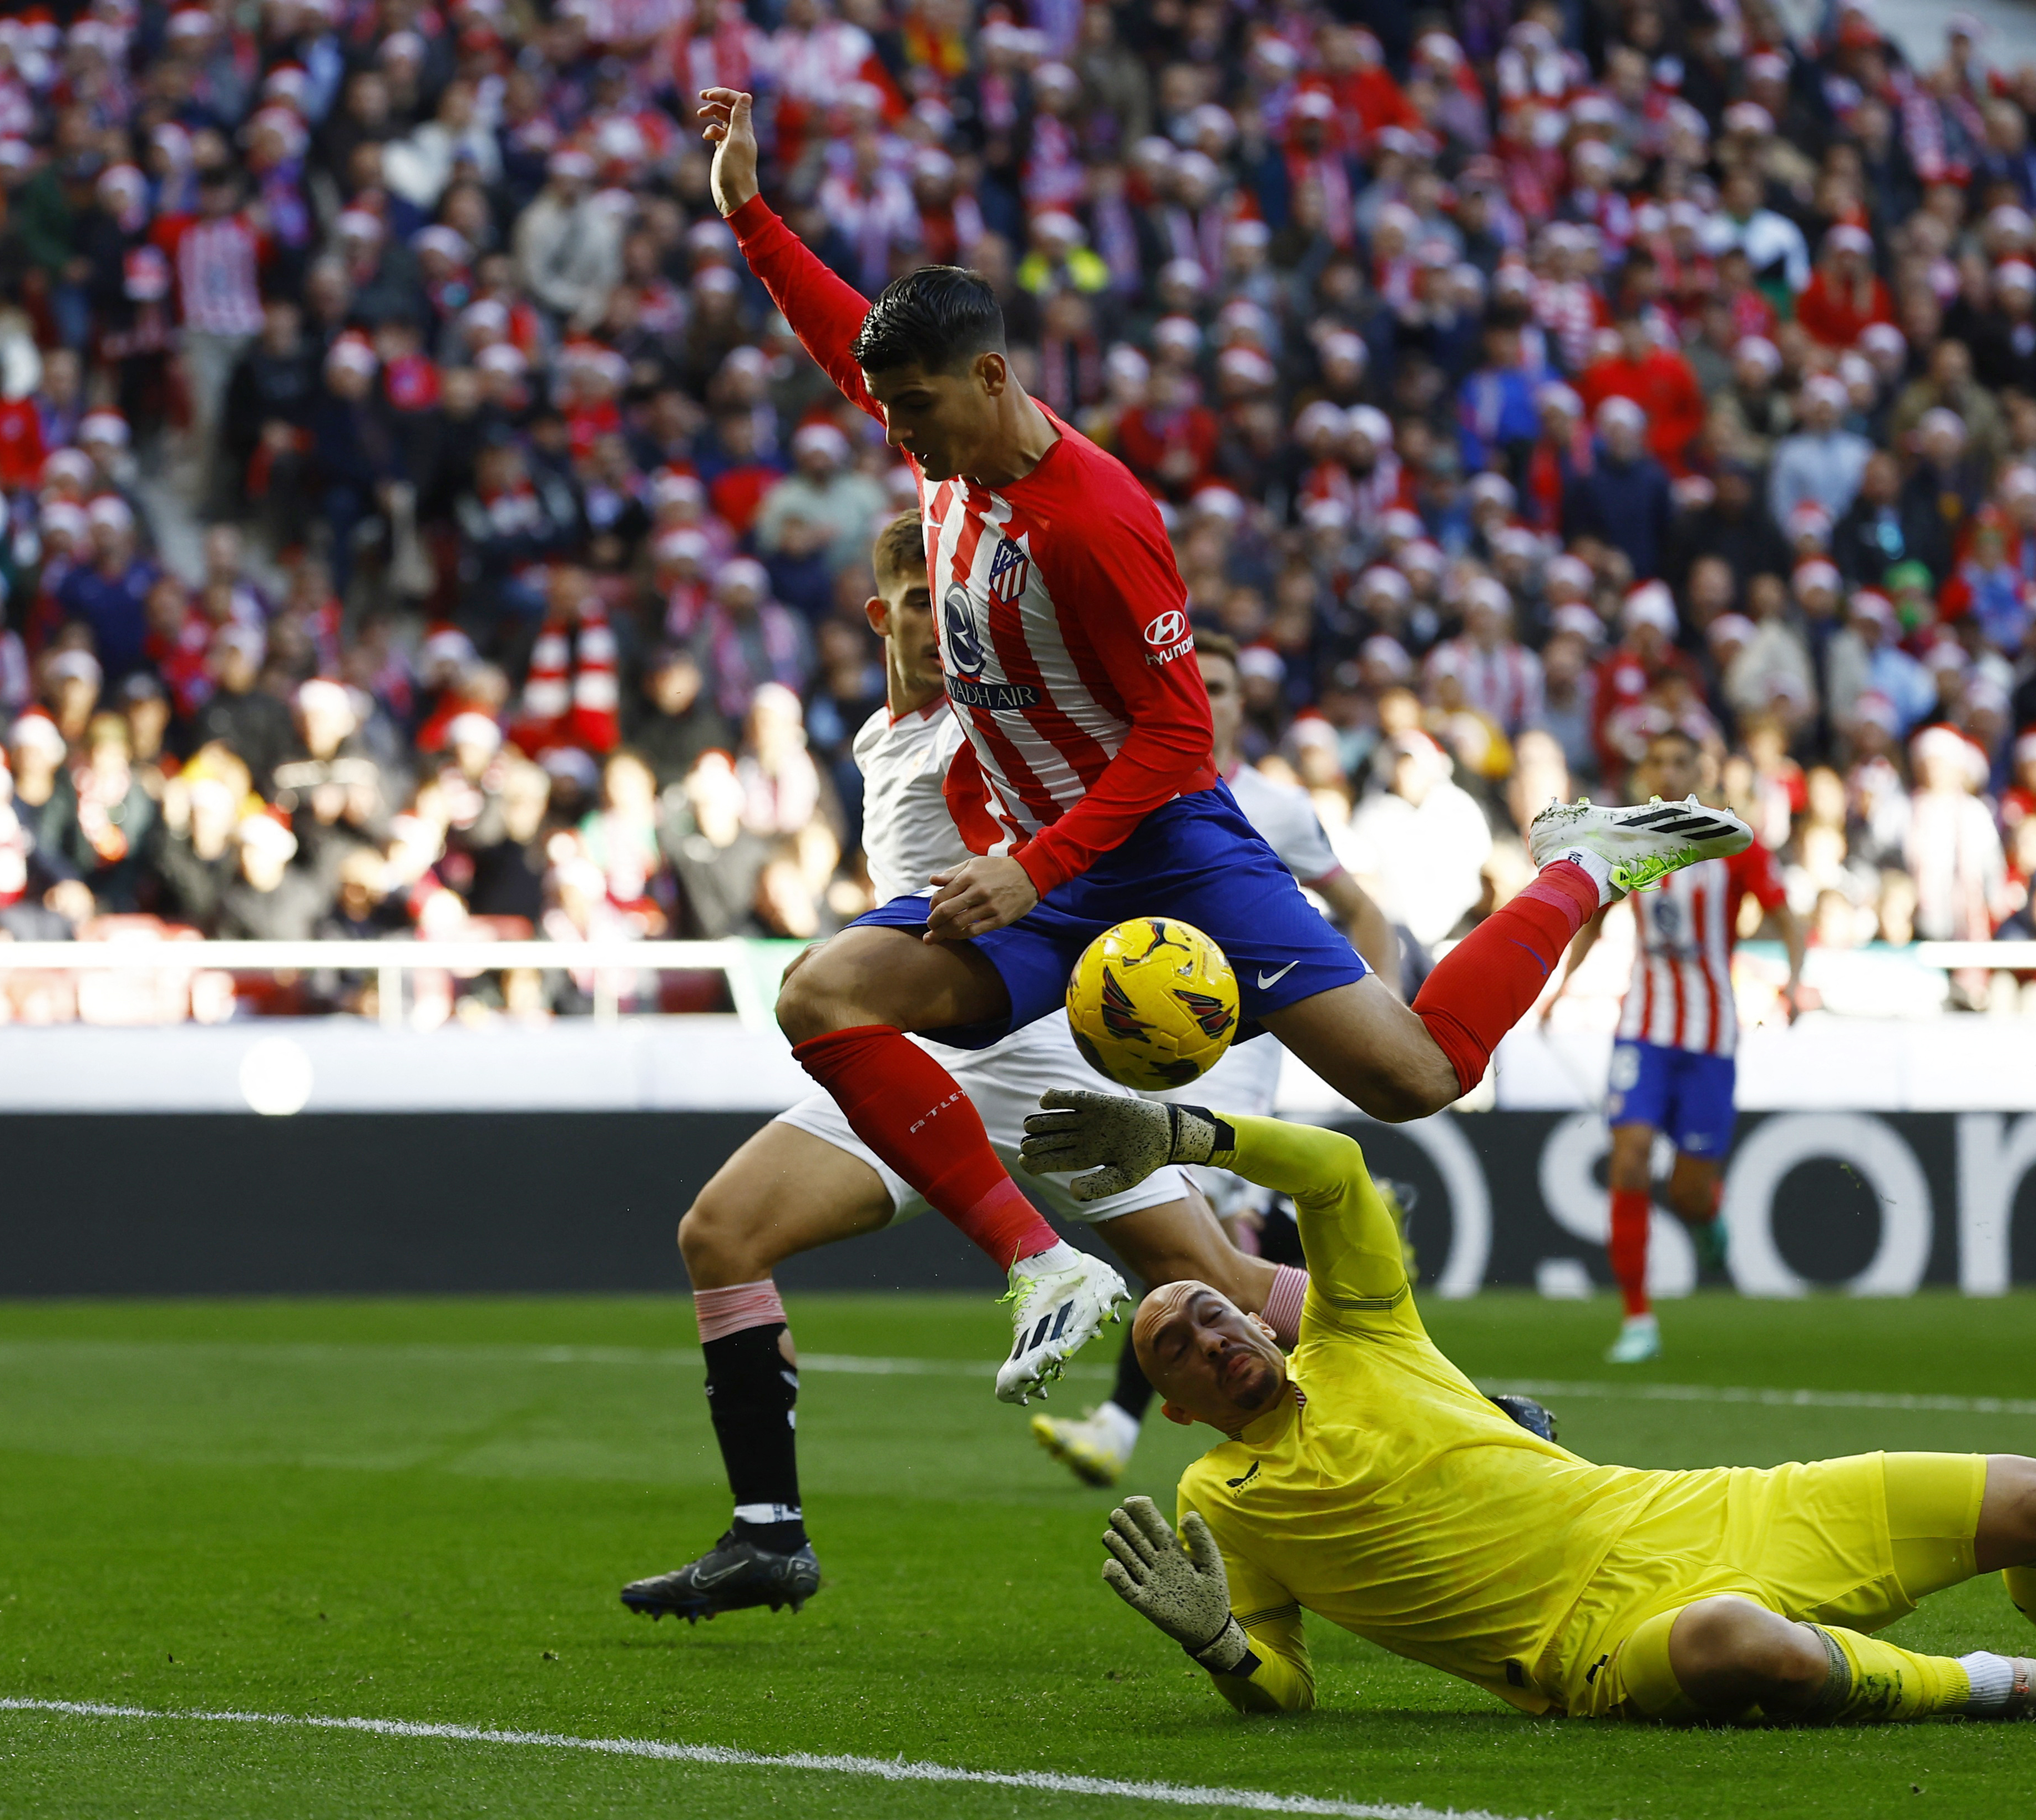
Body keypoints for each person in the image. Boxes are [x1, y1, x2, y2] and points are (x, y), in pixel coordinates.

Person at [697, 87, 1754, 1404]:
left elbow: (1179, 736)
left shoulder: (1095, 521)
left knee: (1417, 1072)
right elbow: (835, 333)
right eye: (888, 406)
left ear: (991, 376)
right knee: (822, 993)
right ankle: (1044, 1266)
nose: (893, 429)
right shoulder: (945, 458)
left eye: (914, 406)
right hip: (1049, 872)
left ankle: (1585, 864)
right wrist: (746, 210)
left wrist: (1033, 869)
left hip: (1165, 852)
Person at [1021, 1094, 2036, 1725]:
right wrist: (1219, 1646)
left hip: (1699, 1510)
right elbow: (1285, 1685)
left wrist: (1182, 1129)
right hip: (1590, 1646)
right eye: (1175, 1345)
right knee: (1741, 1643)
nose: (1208, 1333)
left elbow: (1339, 1168)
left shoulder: (1361, 1335)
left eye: (1209, 1309)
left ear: (1254, 1312)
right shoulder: (1217, 1498)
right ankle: (2014, 1689)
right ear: (1176, 1407)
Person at [619, 512, 1311, 1623]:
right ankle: (767, 1534)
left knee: (1218, 1281)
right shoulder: (876, 738)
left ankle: (1464, 1406)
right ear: (877, 613)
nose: (940, 631)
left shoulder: (990, 723)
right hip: (913, 1065)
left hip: (1037, 1054)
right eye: (914, 607)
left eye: (957, 609)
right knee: (721, 1232)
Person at [1031, 629, 1400, 1487]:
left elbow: (1359, 906)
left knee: (1203, 1264)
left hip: (1233, 1069)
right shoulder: (1113, 793)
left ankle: (1128, 1429)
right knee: (1206, 1264)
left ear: (1239, 704)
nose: (1214, 698)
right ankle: (1420, 1409)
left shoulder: (1275, 805)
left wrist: (1380, 1007)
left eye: (1227, 687)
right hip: (1122, 1062)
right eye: (1201, 683)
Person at [1540, 727, 1803, 1362]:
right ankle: (1638, 1320)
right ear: (1646, 772)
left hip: (1712, 1032)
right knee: (1629, 1158)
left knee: (1687, 1190)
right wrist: (1559, 989)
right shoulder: (1627, 841)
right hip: (1645, 1028)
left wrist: (1796, 982)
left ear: (1701, 770)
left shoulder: (1735, 844)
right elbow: (1595, 919)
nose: (1669, 768)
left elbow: (1787, 915)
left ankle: (1707, 1217)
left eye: (1680, 759)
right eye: (1658, 759)